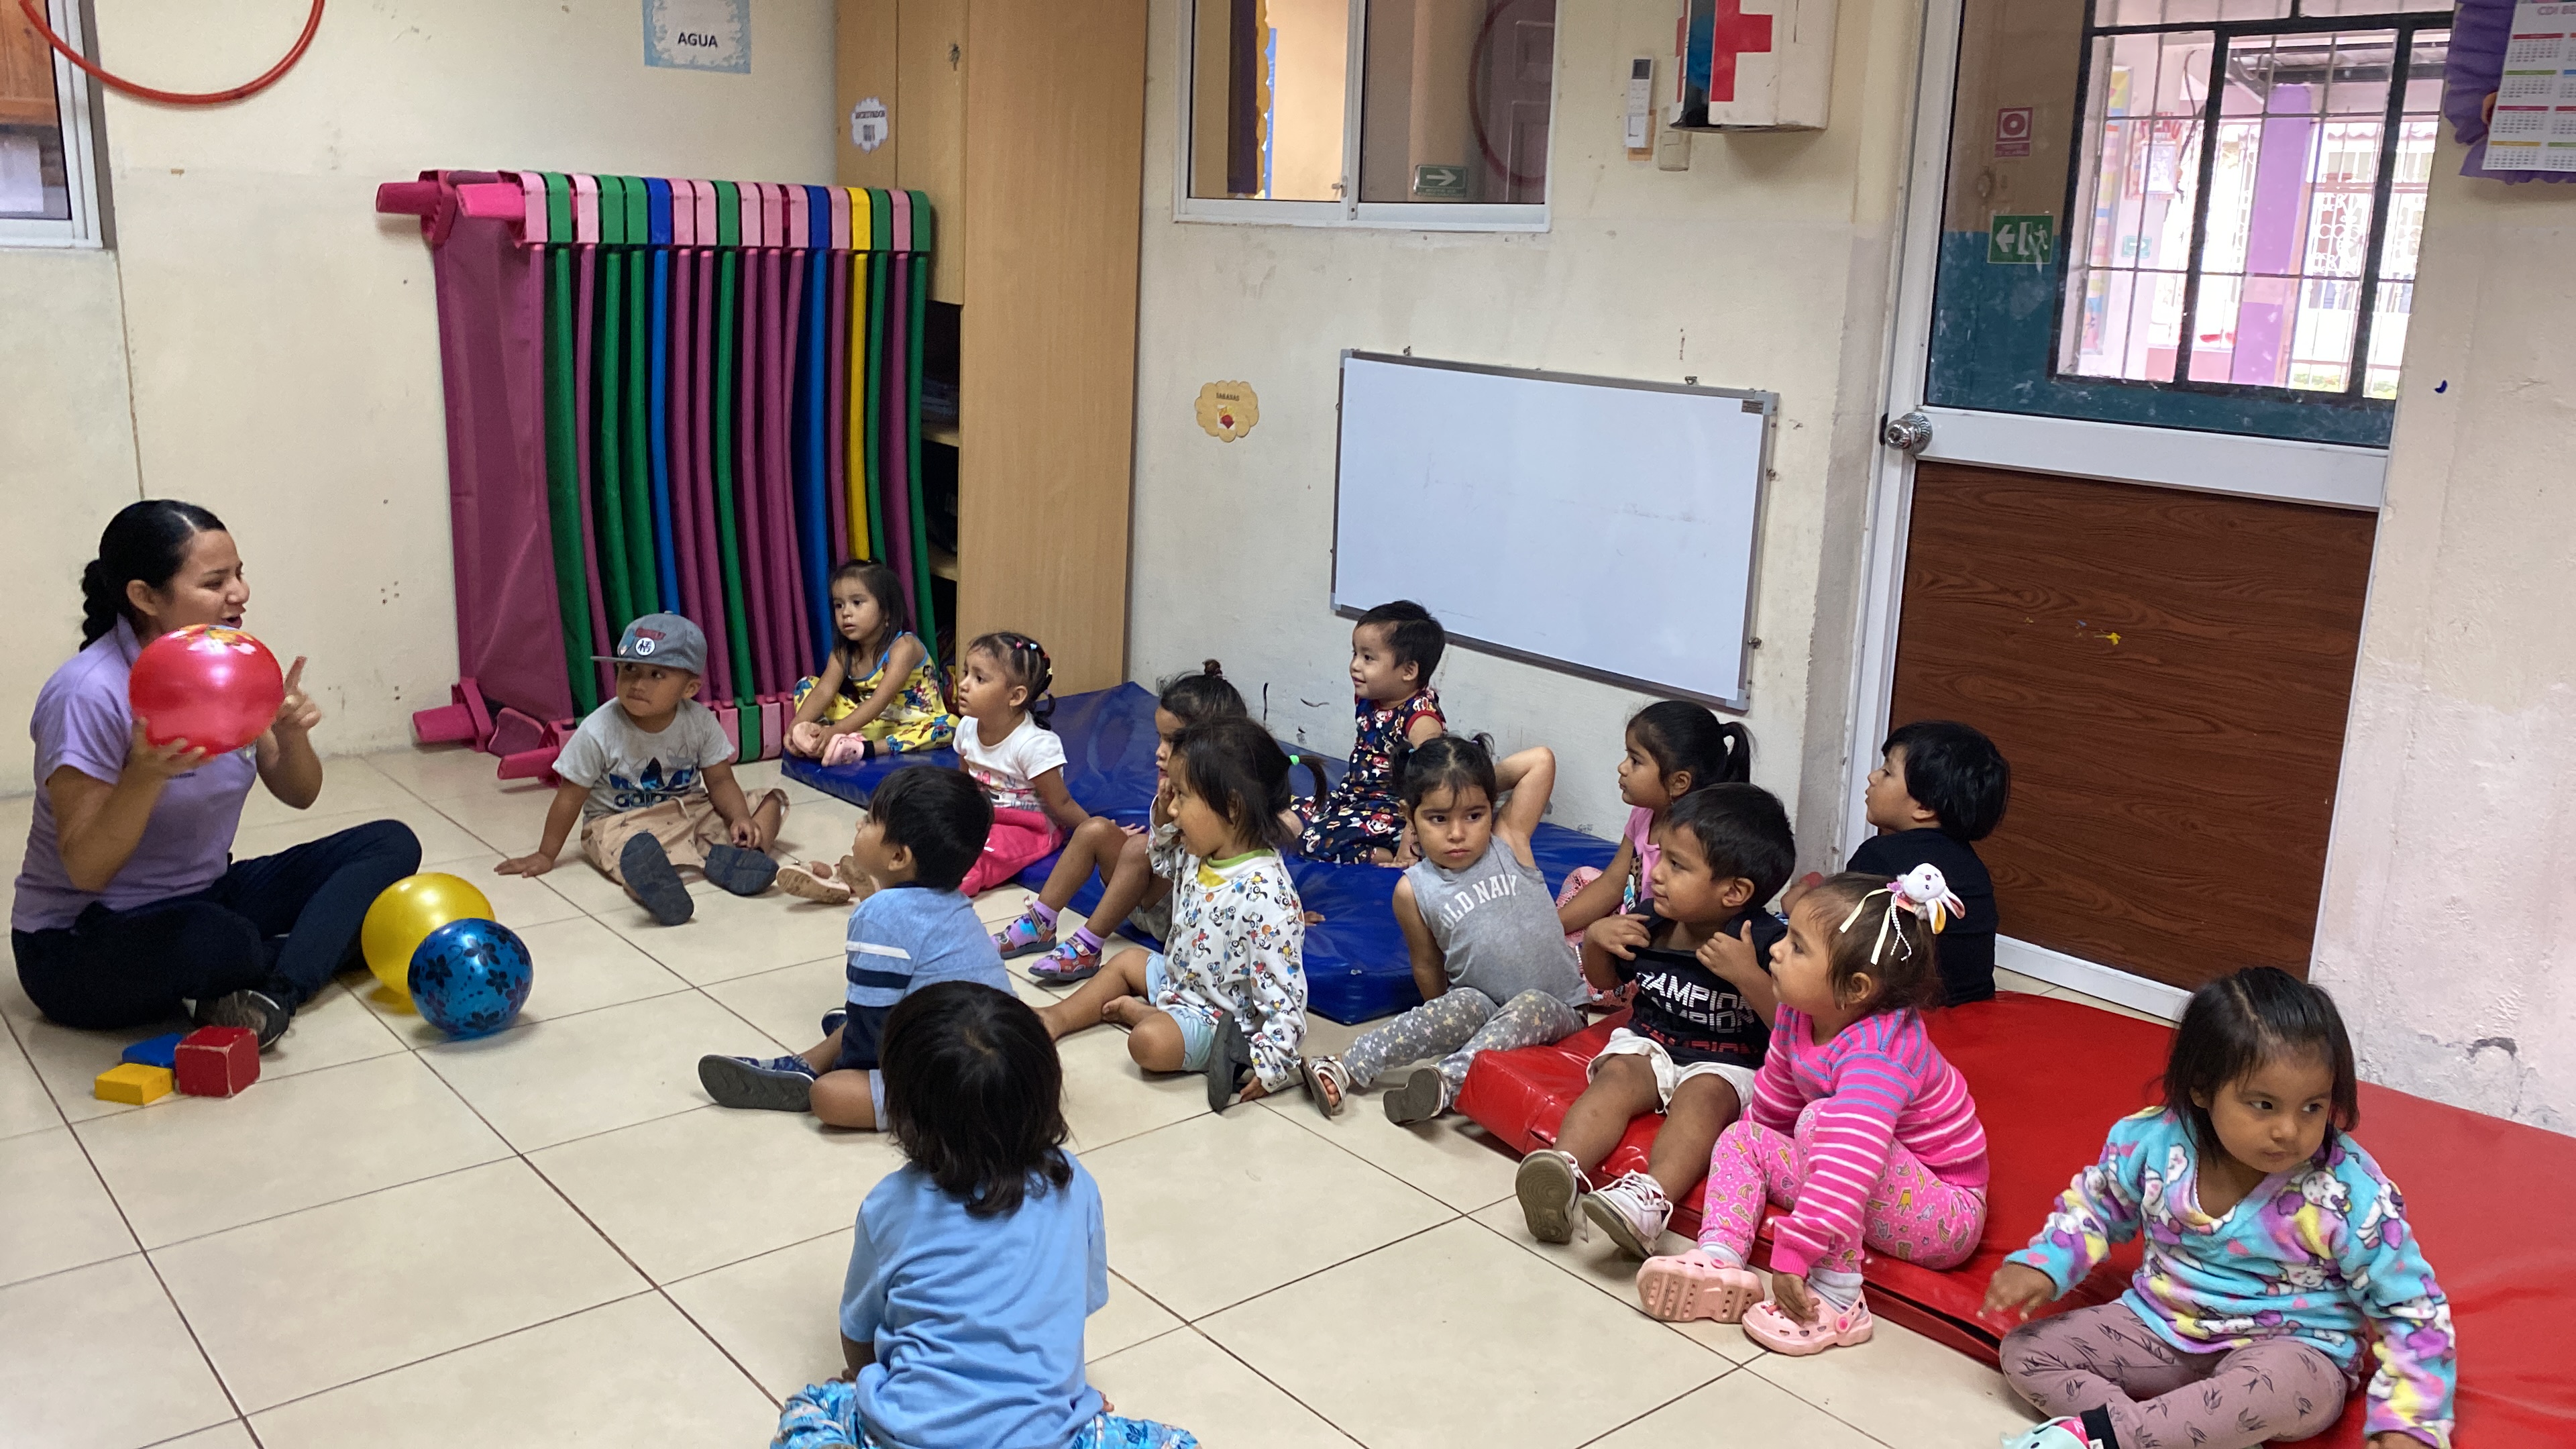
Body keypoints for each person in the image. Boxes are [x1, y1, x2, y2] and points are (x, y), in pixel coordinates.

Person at [1983, 967, 2454, 1449]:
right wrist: (2045, 1262)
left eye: (2312, 1107)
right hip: (2160, 1328)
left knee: (2271, 1392)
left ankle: (2115, 1438)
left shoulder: (2346, 1190)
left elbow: (2411, 1308)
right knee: (2026, 1352)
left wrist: (2409, 1422)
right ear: (2203, 1088)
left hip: (2292, 1354)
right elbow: (2098, 1206)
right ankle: (2173, 1435)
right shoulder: (2151, 1142)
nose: (2289, 1130)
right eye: (2263, 1105)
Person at [11, 500, 423, 1048]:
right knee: (223, 940)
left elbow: (300, 793)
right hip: (79, 942)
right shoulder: (87, 693)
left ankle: (273, 990)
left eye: (239, 574)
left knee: (390, 844)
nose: (240, 593)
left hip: (204, 894)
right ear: (145, 597)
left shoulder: (229, 667)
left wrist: (291, 733)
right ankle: (303, 957)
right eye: (215, 582)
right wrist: (144, 775)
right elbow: (85, 869)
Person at [767, 981, 1199, 1449]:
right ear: (1046, 1095)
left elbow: (858, 1335)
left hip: (909, 1436)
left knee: (810, 1409)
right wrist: (1061, 1400)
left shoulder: (888, 1204)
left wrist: (863, 1383)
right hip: (1047, 1438)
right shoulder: (1074, 1184)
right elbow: (1074, 1309)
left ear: (904, 1115)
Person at [1634, 866, 1991, 1359]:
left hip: (1944, 1214)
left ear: (1857, 988)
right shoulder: (1799, 1013)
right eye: (1787, 936)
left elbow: (1850, 1162)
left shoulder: (1880, 1053)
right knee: (1742, 1135)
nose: (1777, 951)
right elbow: (1774, 1107)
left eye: (1798, 947)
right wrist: (1754, 1163)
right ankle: (1719, 1259)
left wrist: (1795, 1254)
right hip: (1861, 1170)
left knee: (1821, 1122)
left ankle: (1840, 1297)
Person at [1515, 783, 1794, 1257]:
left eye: (1677, 865)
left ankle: (1650, 1200)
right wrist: (1597, 940)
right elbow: (1604, 982)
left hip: (1727, 1061)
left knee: (1703, 1100)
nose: (1656, 874)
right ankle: (1562, 1171)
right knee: (1616, 1077)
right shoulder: (1652, 920)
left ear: (1734, 892)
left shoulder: (1763, 942)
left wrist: (1750, 976)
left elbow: (1793, 1030)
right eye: (1661, 856)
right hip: (1651, 1042)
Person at [695, 767, 1008, 1126]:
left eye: (870, 821)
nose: (859, 825)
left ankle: (813, 1071)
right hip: (1002, 1059)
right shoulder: (954, 902)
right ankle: (806, 1063)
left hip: (961, 1085)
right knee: (856, 1018)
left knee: (829, 1095)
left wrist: (848, 1070)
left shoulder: (880, 915)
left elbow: (872, 1026)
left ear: (898, 858)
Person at [1300, 735, 1587, 1125]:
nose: (1457, 833)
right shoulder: (1413, 889)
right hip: (1484, 1009)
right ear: (1410, 816)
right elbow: (1426, 966)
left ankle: (1444, 1083)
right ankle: (1345, 1066)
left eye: (1474, 815)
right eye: (1438, 818)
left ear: (1491, 808)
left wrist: (1469, 779)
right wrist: (1446, 1022)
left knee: (1530, 1004)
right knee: (1457, 1004)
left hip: (1559, 1011)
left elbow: (1541, 760)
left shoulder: (1509, 841)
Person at [1035, 716, 1305, 1113]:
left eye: (1182, 797)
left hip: (1222, 1017)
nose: (1173, 807)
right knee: (1127, 961)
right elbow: (1160, 862)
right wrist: (1162, 818)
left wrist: (1271, 1066)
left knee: (1147, 1043)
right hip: (1183, 980)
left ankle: (1207, 1043)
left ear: (1232, 807)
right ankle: (1055, 1018)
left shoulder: (1267, 895)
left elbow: (1286, 997)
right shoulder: (1203, 851)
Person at [495, 613, 788, 927]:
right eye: (629, 669)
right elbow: (570, 797)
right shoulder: (598, 730)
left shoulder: (700, 722)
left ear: (689, 688)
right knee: (633, 857)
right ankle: (655, 890)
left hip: (687, 811)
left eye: (656, 674)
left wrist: (740, 817)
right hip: (619, 823)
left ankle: (748, 858)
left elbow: (720, 781)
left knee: (770, 801)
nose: (637, 684)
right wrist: (546, 854)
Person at [994, 661, 1244, 983]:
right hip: (1137, 900)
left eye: (1173, 742)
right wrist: (1164, 808)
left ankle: (1088, 946)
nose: (1159, 752)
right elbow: (1161, 849)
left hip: (1182, 915)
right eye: (1160, 738)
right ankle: (1040, 922)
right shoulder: (1172, 783)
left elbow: (1228, 863)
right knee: (1094, 829)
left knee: (1138, 848)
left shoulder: (1229, 802)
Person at [1827, 720, 2007, 1005]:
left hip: (1905, 1015)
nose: (1873, 777)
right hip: (1974, 1008)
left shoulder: (1878, 855)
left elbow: (1836, 936)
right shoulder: (1973, 867)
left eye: (1887, 772)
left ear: (1924, 807)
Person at [1554, 700, 1753, 941]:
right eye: (1627, 756)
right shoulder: (1644, 812)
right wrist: (1551, 929)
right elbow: (1614, 882)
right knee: (1583, 878)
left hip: (1651, 940)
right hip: (1627, 918)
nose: (1622, 767)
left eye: (1635, 761)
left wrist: (1600, 942)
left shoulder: (1691, 842)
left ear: (1678, 782)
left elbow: (1677, 930)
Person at [1295, 600, 1447, 865]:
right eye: (1355, 653)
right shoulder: (1372, 696)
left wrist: (1411, 837)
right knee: (1282, 816)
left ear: (1409, 671)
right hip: (1353, 797)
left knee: (1313, 842)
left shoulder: (1421, 718)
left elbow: (1431, 778)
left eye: (1368, 658)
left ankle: (1384, 854)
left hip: (1394, 811)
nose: (1355, 665)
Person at [953, 631, 1090, 898]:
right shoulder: (967, 727)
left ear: (1015, 696)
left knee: (984, 852)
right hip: (983, 815)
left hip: (1028, 827)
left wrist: (1098, 832)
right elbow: (964, 782)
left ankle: (945, 889)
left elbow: (1061, 803)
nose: (964, 685)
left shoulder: (1033, 745)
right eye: (966, 673)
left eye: (979, 679)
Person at [785, 560, 957, 767]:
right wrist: (795, 727)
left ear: (886, 611)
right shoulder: (843, 652)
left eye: (857, 603)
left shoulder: (904, 647)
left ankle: (867, 749)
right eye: (839, 605)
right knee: (806, 685)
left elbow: (879, 701)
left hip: (913, 724)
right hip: (869, 723)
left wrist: (836, 729)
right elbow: (824, 691)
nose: (846, 613)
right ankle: (822, 741)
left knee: (949, 726)